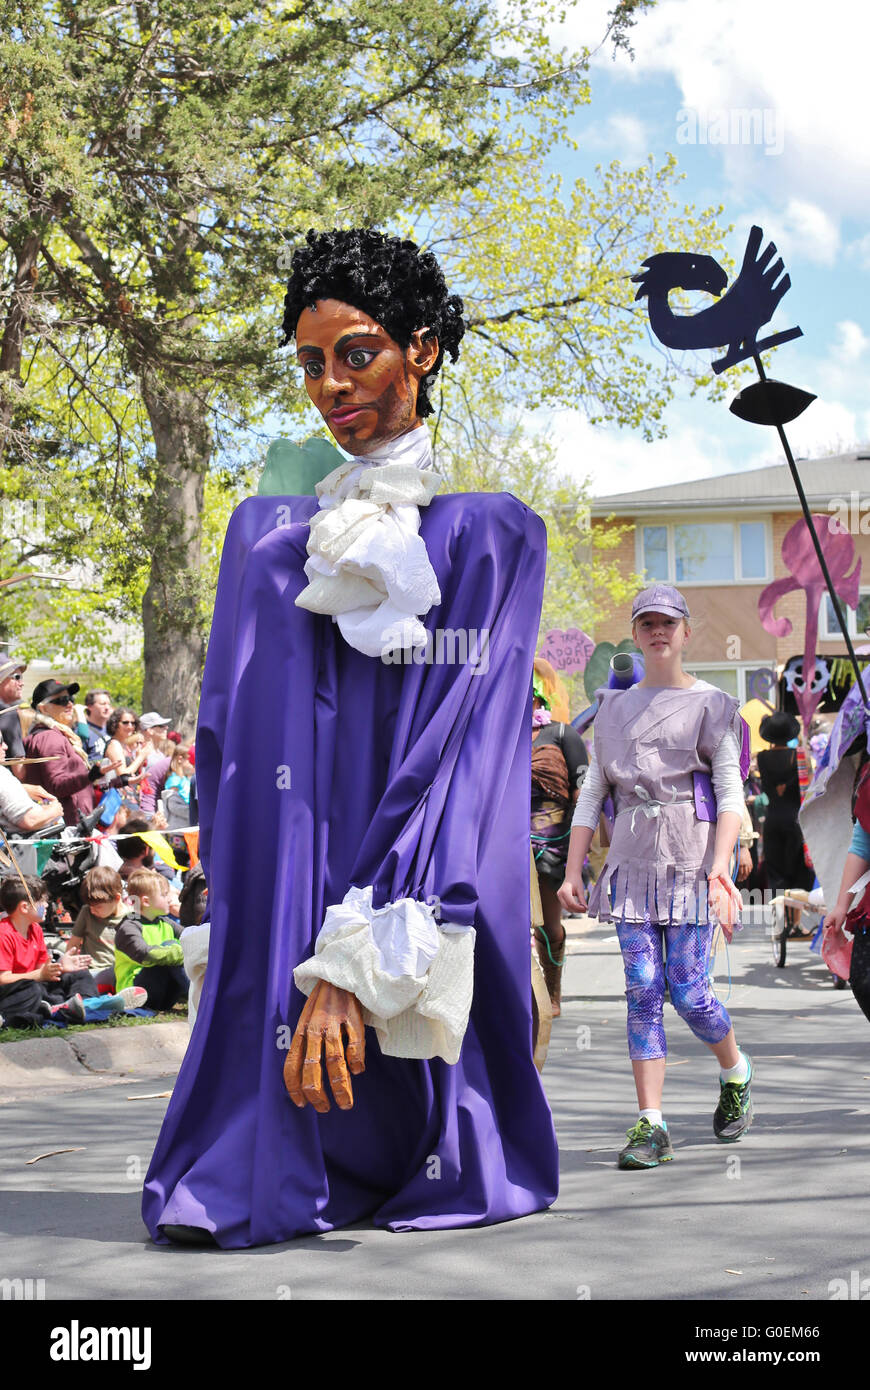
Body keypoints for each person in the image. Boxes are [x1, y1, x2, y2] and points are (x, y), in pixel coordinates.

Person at [142, 227, 557, 1248]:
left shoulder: (489, 534)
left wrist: (351, 964)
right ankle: (278, 1134)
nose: (330, 385)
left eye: (357, 352)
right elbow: (235, 758)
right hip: (289, 875)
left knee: (420, 1100)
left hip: (410, 893)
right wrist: (266, 944)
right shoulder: (267, 537)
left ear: (421, 345)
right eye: (310, 363)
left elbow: (454, 767)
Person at [559, 585, 752, 1170]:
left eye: (668, 621)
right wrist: (574, 870)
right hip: (630, 871)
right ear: (637, 634)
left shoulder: (714, 705)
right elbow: (592, 793)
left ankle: (736, 1070)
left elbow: (729, 795)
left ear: (686, 631)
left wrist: (721, 869)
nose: (658, 631)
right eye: (647, 622)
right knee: (643, 991)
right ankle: (652, 1125)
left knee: (690, 993)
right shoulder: (610, 708)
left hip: (693, 867)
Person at [530, 656, 587, 1015]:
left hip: (552, 848)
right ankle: (521, 996)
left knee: (549, 929)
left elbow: (584, 794)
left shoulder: (563, 734)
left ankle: (552, 993)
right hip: (505, 849)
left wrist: (574, 858)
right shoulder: (499, 732)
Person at [0, 876, 98, 1026]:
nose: (46, 904)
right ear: (25, 907)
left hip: (37, 986)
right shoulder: (4, 933)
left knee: (80, 974)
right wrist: (38, 975)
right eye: (42, 901)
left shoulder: (36, 929)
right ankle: (60, 1008)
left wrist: (60, 967)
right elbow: (3, 979)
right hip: (14, 993)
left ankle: (88, 1005)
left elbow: (43, 972)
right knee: (32, 989)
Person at [757, 710, 814, 931]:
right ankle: (796, 923)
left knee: (777, 871)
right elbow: (809, 783)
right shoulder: (799, 755)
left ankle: (782, 920)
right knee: (798, 871)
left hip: (772, 820)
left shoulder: (761, 758)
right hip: (795, 820)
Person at [115, 867, 187, 1010]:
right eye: (164, 895)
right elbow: (144, 954)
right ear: (146, 901)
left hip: (164, 996)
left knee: (185, 946)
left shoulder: (165, 922)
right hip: (137, 992)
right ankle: (206, 1000)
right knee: (171, 945)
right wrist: (182, 952)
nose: (170, 899)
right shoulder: (128, 927)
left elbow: (191, 938)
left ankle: (205, 995)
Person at [68, 865, 133, 990]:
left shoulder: (130, 917)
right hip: (91, 972)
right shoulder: (86, 912)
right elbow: (73, 944)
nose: (92, 910)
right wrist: (70, 961)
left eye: (98, 907)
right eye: (90, 906)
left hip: (117, 971)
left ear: (117, 898)